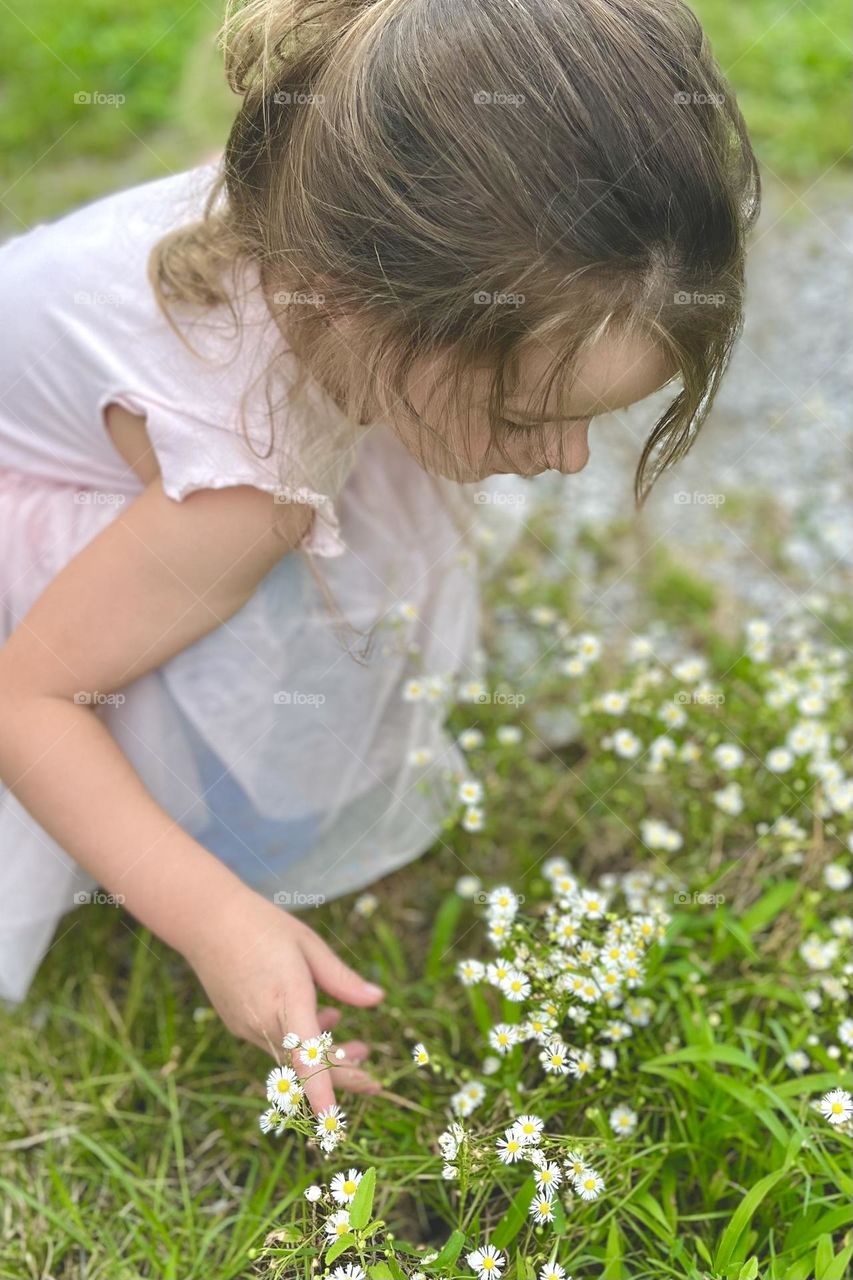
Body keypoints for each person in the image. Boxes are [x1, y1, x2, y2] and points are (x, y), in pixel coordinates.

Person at [0, 0, 759, 1113]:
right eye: (523, 414)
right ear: (370, 314)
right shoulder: (247, 473)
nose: (566, 457)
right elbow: (30, 695)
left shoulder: (346, 206)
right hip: (69, 534)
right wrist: (217, 915)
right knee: (250, 587)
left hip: (205, 466)